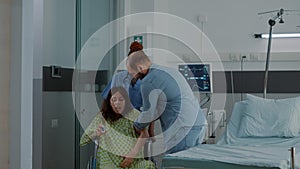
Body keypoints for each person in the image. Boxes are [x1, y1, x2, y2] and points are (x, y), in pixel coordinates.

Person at [126, 50, 207, 154]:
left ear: (139, 68)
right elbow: (159, 108)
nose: (134, 78)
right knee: (193, 163)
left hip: (183, 128)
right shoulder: (169, 71)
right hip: (198, 123)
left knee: (177, 164)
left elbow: (148, 113)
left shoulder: (148, 81)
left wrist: (136, 126)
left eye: (133, 74)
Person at [80, 87, 156, 169]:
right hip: (109, 160)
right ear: (109, 102)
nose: (117, 103)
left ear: (126, 101)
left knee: (148, 166)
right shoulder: (102, 117)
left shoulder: (134, 115)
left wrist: (132, 155)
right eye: (114, 100)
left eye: (121, 99)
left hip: (133, 160)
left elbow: (144, 134)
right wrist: (96, 133)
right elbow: (84, 139)